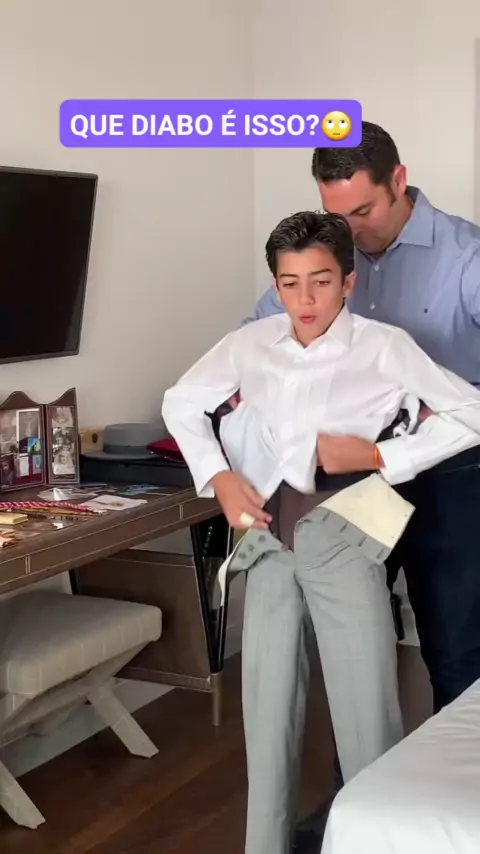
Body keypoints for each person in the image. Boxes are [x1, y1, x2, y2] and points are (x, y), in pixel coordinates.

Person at [162, 210, 480, 854]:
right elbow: (180, 401)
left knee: (367, 714)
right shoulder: (249, 345)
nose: (305, 299)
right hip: (265, 538)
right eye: (289, 283)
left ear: (348, 282)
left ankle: (374, 840)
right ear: (274, 286)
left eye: (321, 281)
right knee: (267, 714)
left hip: (343, 532)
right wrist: (219, 479)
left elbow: (470, 410)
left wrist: (382, 455)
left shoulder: (384, 346)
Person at [247, 121, 480, 851]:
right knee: (356, 654)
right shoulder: (327, 260)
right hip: (342, 491)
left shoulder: (468, 258)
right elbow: (261, 344)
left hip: (450, 477)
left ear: (398, 182)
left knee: (455, 647)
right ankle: (363, 815)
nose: (347, 230)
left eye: (363, 211)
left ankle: (451, 819)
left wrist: (401, 441)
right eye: (334, 213)